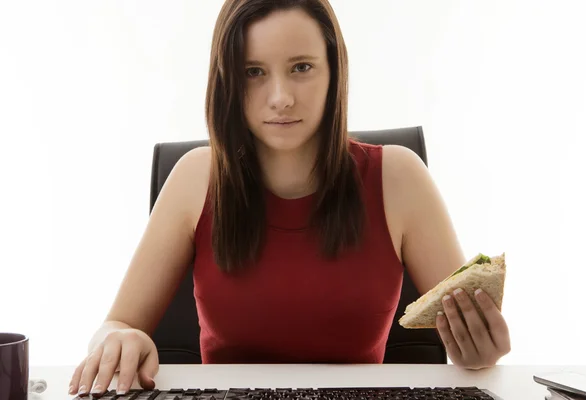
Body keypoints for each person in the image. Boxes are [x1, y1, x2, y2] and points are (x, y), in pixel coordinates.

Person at [68, 0, 511, 396]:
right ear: (228, 81)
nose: (280, 98)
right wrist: (116, 338)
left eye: (301, 67)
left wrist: (479, 354)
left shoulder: (399, 178)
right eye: (254, 72)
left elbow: (464, 332)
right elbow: (116, 325)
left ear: (334, 71)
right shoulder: (195, 178)